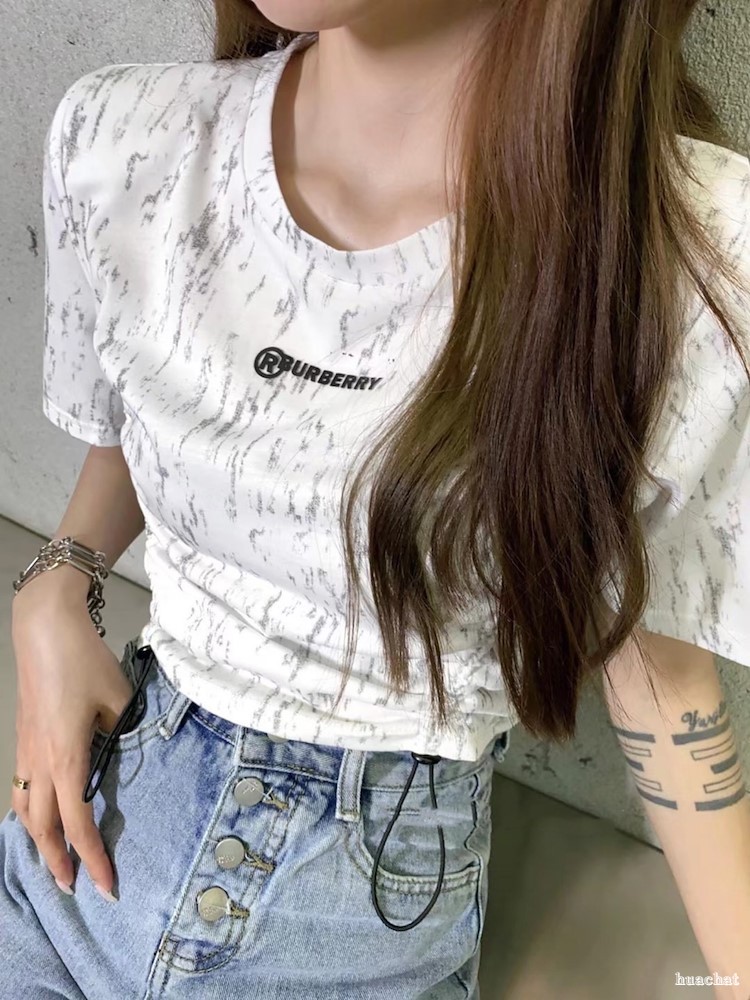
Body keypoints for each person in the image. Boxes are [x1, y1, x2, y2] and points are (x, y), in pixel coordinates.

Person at [1, 0, 750, 997]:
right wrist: (54, 589)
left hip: (357, 915)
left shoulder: (683, 257)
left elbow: (657, 672)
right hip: (79, 850)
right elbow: (152, 422)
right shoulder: (127, 139)